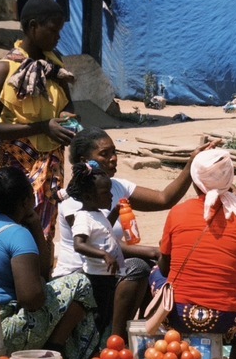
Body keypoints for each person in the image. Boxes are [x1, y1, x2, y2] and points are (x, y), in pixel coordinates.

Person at [66, 126, 221, 337]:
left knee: (153, 270)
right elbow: (104, 244)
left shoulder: (116, 186)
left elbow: (164, 198)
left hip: (108, 270)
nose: (113, 159)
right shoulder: (77, 199)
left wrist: (190, 164)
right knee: (140, 266)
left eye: (114, 152)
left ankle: (145, 332)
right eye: (104, 154)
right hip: (85, 274)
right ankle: (117, 339)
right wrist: (153, 252)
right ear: (85, 160)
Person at [0, 168, 101, 359]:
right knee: (80, 284)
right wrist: (40, 283)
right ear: (26, 200)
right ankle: (53, 353)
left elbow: (42, 274)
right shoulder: (17, 235)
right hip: (1, 335)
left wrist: (36, 228)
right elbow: (32, 300)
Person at [0, 0, 77, 245]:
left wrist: (67, 119)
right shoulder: (5, 68)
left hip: (52, 163)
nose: (58, 36)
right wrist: (43, 127)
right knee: (15, 229)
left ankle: (39, 279)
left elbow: (69, 107)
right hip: (17, 165)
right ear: (33, 26)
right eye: (53, 30)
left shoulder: (55, 63)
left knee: (44, 231)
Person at [154, 149, 236, 346]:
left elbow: (164, 267)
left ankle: (165, 334)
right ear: (229, 178)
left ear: (196, 181)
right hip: (226, 319)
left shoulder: (177, 212)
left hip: (178, 316)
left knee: (155, 272)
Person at [58, 162, 124, 340]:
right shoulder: (83, 217)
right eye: (105, 193)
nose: (111, 196)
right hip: (96, 278)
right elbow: (79, 244)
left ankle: (99, 349)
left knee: (106, 315)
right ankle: (90, 353)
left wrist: (115, 212)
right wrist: (104, 254)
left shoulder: (98, 214)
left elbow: (103, 230)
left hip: (107, 276)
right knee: (98, 317)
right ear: (88, 196)